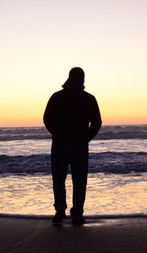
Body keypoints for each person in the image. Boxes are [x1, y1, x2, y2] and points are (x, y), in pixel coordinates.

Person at [43, 67, 102, 226]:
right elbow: (97, 122)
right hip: (79, 145)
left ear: (69, 77)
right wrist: (86, 138)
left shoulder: (57, 97)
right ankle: (76, 214)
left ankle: (60, 211)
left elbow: (47, 119)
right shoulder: (88, 98)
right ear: (82, 79)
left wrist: (56, 133)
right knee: (79, 180)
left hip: (61, 144)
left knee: (59, 179)